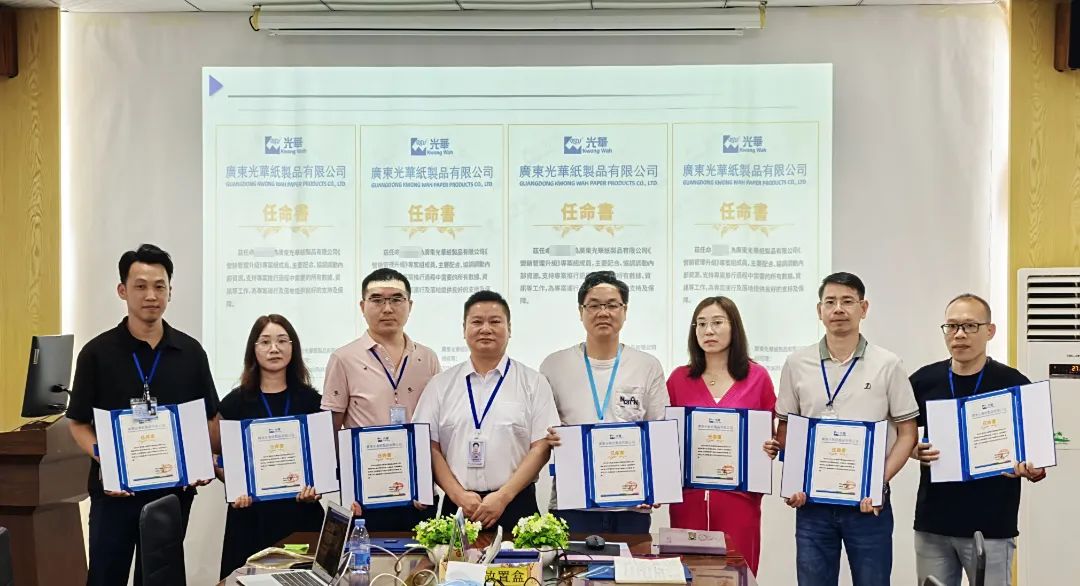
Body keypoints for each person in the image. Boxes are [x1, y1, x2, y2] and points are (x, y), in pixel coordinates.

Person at [66, 244, 220, 586]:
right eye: (140, 286)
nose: (151, 295)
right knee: (106, 576)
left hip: (171, 494)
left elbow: (210, 418)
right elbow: (77, 423)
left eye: (159, 286)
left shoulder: (190, 352)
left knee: (160, 579)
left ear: (170, 291)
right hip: (115, 493)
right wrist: (108, 459)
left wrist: (202, 460)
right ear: (122, 291)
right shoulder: (97, 353)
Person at [764, 272, 919, 586]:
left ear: (864, 308)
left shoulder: (888, 364)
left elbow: (907, 434)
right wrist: (794, 481)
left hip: (868, 504)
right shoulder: (797, 363)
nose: (838, 309)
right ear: (819, 310)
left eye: (847, 301)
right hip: (812, 505)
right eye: (830, 302)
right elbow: (786, 428)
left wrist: (878, 482)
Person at [909, 293, 1046, 586]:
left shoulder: (1013, 383)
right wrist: (913, 450)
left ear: (990, 331)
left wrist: (1031, 468)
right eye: (951, 326)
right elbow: (898, 433)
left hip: (991, 526)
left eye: (970, 326)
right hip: (934, 524)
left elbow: (1037, 458)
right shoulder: (924, 380)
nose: (959, 334)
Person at [412, 290, 559, 534]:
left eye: (495, 321)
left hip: (516, 504)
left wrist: (503, 496)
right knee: (452, 562)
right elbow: (429, 446)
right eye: (477, 322)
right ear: (464, 329)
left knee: (520, 561)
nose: (486, 329)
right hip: (458, 506)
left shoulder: (534, 382)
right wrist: (457, 494)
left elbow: (541, 446)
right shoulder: (440, 385)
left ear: (509, 328)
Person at [539, 270, 668, 533]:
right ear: (581, 311)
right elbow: (541, 432)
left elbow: (659, 430)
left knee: (632, 561)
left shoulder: (647, 366)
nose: (603, 312)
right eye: (594, 305)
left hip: (631, 506)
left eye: (612, 305)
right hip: (572, 505)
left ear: (625, 310)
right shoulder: (554, 365)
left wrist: (658, 486)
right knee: (569, 562)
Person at [322, 268, 440, 530]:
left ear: (410, 305)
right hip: (366, 496)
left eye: (396, 299)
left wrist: (426, 479)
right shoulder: (343, 358)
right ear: (362, 307)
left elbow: (436, 426)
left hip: (418, 493)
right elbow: (332, 430)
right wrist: (348, 487)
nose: (387, 308)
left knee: (423, 555)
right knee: (369, 555)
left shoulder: (427, 358)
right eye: (377, 299)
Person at [666, 296, 775, 575]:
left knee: (736, 575)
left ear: (734, 327)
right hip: (688, 502)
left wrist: (771, 447)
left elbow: (770, 434)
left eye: (717, 322)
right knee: (687, 575)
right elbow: (664, 440)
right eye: (701, 324)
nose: (708, 331)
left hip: (739, 501)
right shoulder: (678, 379)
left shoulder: (758, 377)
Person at [216, 314, 326, 579]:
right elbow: (216, 456)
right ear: (253, 350)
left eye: (282, 341)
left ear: (293, 347)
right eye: (265, 342)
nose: (274, 348)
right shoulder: (234, 403)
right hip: (251, 516)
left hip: (301, 514)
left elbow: (323, 456)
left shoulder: (312, 401)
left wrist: (317, 487)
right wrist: (235, 485)